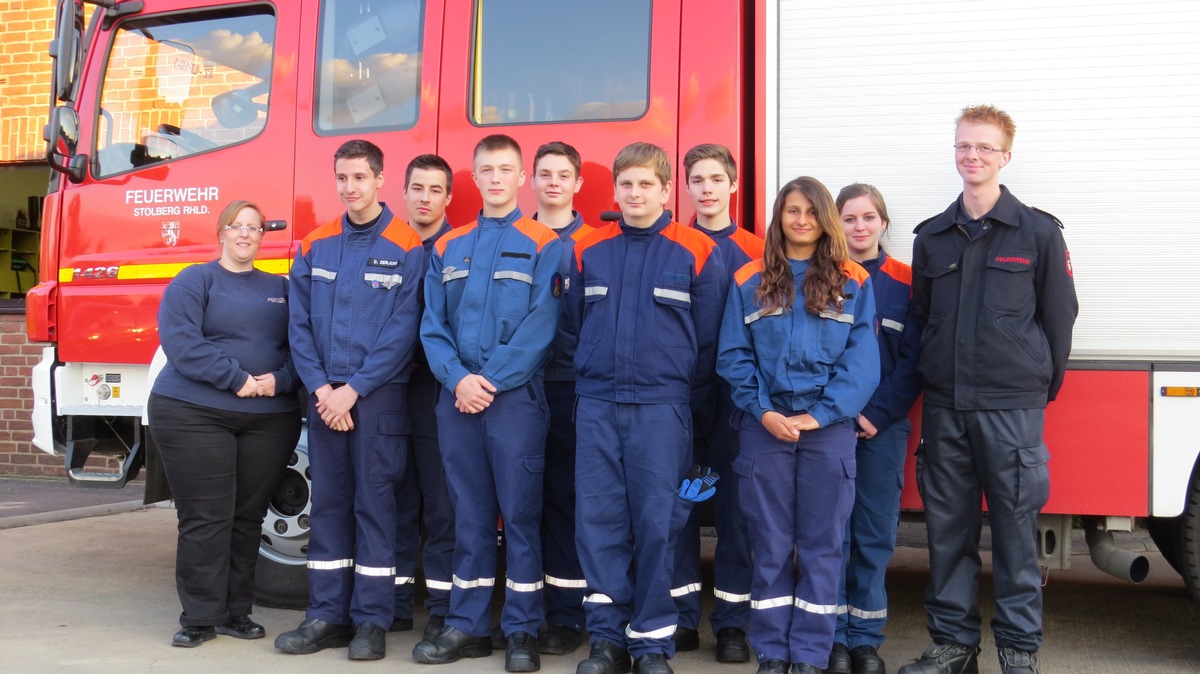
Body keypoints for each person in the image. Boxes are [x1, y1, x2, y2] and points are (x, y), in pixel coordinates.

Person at [898, 105, 1078, 674]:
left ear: (1005, 155)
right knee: (948, 534)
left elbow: (1060, 316)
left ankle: (1019, 654)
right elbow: (924, 316)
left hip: (1011, 409)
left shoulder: (1038, 232)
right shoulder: (932, 237)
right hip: (948, 407)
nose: (971, 155)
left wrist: (1033, 387)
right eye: (962, 146)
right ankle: (954, 647)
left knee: (1016, 536)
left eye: (983, 147)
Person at [571, 142, 729, 674]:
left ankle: (652, 643)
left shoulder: (696, 251)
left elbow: (708, 345)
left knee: (659, 524)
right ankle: (606, 642)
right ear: (614, 191)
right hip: (596, 406)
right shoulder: (587, 249)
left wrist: (689, 412)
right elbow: (572, 326)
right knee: (598, 524)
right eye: (626, 185)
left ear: (666, 191)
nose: (634, 194)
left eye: (646, 185)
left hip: (663, 411)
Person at [717, 176, 879, 674]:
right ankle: (772, 652)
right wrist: (764, 411)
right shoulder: (750, 278)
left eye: (811, 211)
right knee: (768, 542)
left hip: (826, 430)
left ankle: (809, 654)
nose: (801, 220)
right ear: (778, 217)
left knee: (822, 545)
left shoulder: (853, 279)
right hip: (763, 426)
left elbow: (863, 362)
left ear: (824, 217)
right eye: (791, 210)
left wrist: (821, 414)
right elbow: (733, 355)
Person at [413, 134, 561, 673]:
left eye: (505, 170)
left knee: (520, 516)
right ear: (472, 179)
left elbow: (542, 327)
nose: (495, 178)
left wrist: (488, 381)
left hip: (514, 401)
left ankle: (521, 629)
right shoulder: (449, 247)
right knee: (467, 515)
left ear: (522, 178)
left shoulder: (546, 243)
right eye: (485, 170)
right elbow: (432, 326)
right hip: (458, 402)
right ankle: (468, 626)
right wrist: (457, 380)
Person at [276, 139, 426, 661]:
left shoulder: (408, 246)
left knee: (375, 508)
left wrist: (353, 390)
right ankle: (324, 616)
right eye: (342, 178)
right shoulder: (316, 245)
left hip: (377, 398)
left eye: (359, 177)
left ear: (380, 180)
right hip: (324, 398)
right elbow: (298, 325)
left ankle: (370, 622)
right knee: (331, 507)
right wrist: (321, 389)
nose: (350, 187)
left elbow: (402, 333)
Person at [149, 199, 301, 648]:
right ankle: (199, 616)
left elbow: (305, 348)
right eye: (237, 226)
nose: (245, 234)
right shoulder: (196, 280)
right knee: (206, 516)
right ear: (222, 232)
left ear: (261, 236)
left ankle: (237, 613)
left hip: (269, 419)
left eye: (254, 228)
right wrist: (237, 380)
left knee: (247, 517)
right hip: (194, 413)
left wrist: (281, 380)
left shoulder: (282, 287)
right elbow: (181, 342)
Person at [826, 183, 922, 674]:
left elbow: (914, 361)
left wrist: (876, 415)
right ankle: (834, 639)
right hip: (830, 428)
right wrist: (837, 413)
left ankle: (865, 640)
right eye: (849, 218)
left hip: (883, 429)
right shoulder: (823, 276)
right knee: (831, 536)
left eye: (868, 217)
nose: (859, 227)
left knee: (873, 534)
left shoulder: (908, 282)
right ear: (835, 223)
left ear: (884, 223)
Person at [671, 143, 760, 663]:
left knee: (734, 514)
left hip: (734, 408)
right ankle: (682, 617)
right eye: (697, 179)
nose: (706, 188)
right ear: (686, 187)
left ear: (732, 185)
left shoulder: (754, 249)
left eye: (715, 179)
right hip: (681, 405)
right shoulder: (671, 244)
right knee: (680, 506)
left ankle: (731, 624)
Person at [530, 140, 595, 656]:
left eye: (563, 175)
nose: (553, 182)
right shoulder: (514, 238)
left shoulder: (595, 245)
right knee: (527, 502)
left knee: (571, 501)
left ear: (578, 184)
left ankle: (571, 614)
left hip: (573, 389)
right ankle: (530, 610)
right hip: (515, 390)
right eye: (545, 173)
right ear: (532, 180)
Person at [391, 153, 457, 640]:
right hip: (391, 389)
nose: (425, 198)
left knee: (442, 503)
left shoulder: (460, 248)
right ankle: (393, 603)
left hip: (441, 391)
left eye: (435, 189)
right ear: (404, 192)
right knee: (396, 498)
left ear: (448, 197)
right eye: (418, 188)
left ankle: (441, 608)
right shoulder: (388, 244)